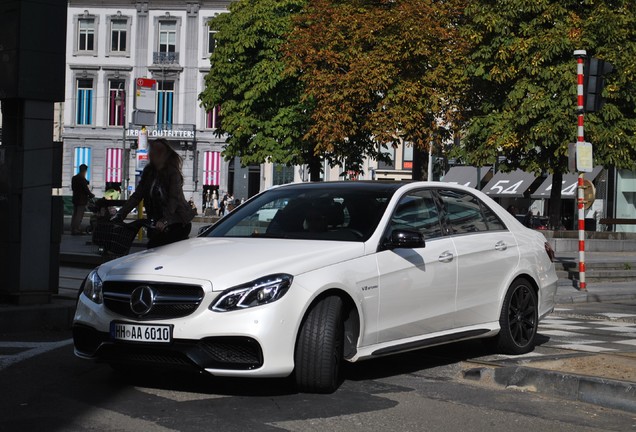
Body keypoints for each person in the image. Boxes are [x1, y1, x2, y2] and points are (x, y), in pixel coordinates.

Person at [113, 139, 194, 248]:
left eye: (155, 152)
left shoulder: (172, 173)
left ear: (163, 155)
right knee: (153, 249)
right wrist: (120, 214)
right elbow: (137, 196)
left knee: (158, 250)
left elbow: (173, 199)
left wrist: (165, 220)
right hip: (156, 223)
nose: (151, 154)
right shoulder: (149, 171)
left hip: (176, 222)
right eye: (151, 151)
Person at [71, 164, 95, 235]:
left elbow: (73, 188)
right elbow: (86, 189)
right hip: (81, 199)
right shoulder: (82, 179)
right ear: (85, 170)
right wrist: (91, 195)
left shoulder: (74, 178)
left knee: (74, 214)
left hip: (75, 198)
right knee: (79, 215)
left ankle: (73, 228)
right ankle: (76, 229)